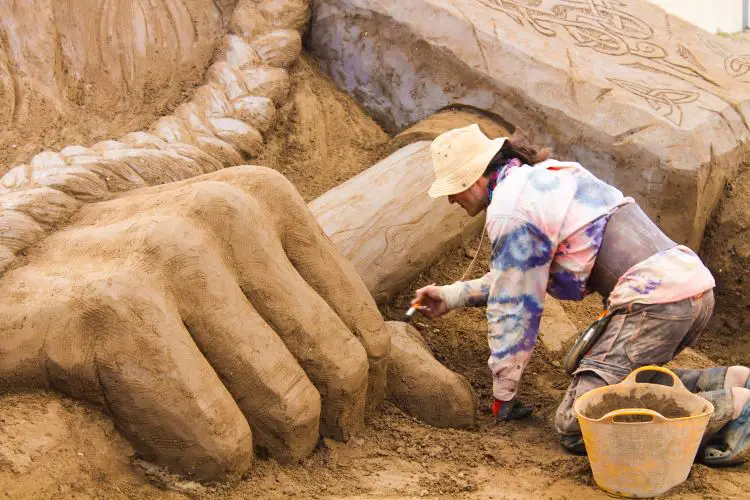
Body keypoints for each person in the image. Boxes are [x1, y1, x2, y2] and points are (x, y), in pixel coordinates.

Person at [412, 124, 750, 465]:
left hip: (654, 304)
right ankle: (729, 379)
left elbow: (514, 308)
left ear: (474, 179)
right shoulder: (543, 177)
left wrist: (504, 394)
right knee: (622, 387)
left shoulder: (511, 210)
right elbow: (514, 280)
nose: (452, 200)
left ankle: (732, 406)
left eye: (453, 190)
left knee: (578, 424)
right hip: (688, 288)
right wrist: (452, 296)